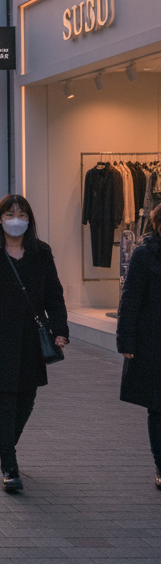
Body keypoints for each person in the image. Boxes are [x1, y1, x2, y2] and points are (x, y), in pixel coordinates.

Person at [0, 194, 69, 493]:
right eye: (10, 214)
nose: (16, 220)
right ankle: (9, 464)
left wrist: (60, 329)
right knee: (4, 401)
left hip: (32, 339)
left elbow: (54, 295)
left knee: (27, 399)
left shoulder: (41, 253)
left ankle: (5, 445)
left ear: (29, 219)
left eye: (21, 215)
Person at [117, 202, 161, 490]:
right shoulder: (145, 255)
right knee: (158, 408)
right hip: (154, 342)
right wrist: (126, 341)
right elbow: (130, 300)